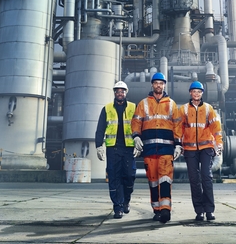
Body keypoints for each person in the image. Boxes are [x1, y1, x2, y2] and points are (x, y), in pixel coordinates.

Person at [131, 72, 182, 224]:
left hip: (166, 150)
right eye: (156, 83)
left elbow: (177, 125)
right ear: (152, 85)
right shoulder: (143, 103)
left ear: (164, 85)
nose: (159, 85)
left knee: (165, 178)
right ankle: (157, 210)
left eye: (161, 83)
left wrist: (178, 144)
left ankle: (165, 210)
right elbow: (136, 121)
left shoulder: (171, 104)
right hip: (149, 149)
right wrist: (136, 136)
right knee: (153, 180)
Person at [179, 81, 223, 221]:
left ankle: (209, 210)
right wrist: (178, 144)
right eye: (194, 91)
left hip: (206, 148)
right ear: (190, 93)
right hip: (189, 149)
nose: (196, 94)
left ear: (202, 93)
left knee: (206, 177)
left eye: (199, 91)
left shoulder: (209, 109)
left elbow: (216, 128)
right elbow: (178, 129)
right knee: (194, 179)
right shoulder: (184, 109)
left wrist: (219, 144)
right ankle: (199, 211)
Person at [94, 81, 136, 219]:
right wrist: (99, 146)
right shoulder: (107, 109)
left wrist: (139, 142)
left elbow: (139, 126)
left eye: (122, 91)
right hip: (113, 149)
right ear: (114, 93)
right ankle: (117, 207)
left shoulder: (133, 107)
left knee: (129, 176)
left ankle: (126, 201)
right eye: (117, 91)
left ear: (126, 93)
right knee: (114, 178)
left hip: (129, 149)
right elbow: (100, 129)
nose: (120, 93)